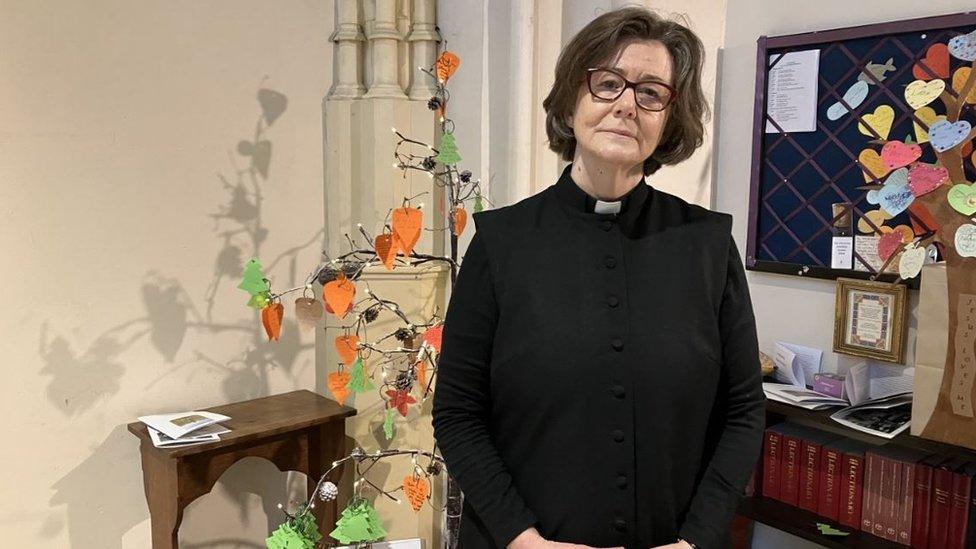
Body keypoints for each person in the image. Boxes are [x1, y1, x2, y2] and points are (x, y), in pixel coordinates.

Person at [432, 7, 765, 549]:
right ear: (571, 99)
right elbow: (457, 414)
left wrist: (697, 540)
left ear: (668, 118)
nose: (627, 105)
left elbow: (745, 411)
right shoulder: (501, 242)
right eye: (608, 83)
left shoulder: (706, 245)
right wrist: (524, 540)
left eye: (651, 92)